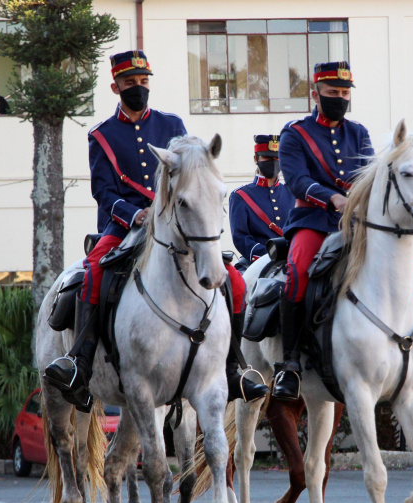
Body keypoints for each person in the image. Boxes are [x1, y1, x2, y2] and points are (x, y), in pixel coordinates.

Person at [43, 50, 267, 411]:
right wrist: (134, 215)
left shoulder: (172, 125)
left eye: (143, 81)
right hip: (124, 227)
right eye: (130, 82)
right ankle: (80, 362)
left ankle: (233, 366)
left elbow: (191, 176)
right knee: (94, 271)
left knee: (236, 282)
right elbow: (103, 191)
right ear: (115, 87)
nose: (138, 88)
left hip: (175, 225)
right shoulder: (102, 135)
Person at [272, 61, 413, 400]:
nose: (340, 98)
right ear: (316, 94)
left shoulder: (358, 133)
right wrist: (332, 198)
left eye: (344, 93)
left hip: (357, 223)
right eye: (333, 92)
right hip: (313, 220)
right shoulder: (295, 134)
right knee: (297, 270)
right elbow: (296, 180)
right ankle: (290, 364)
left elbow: (371, 178)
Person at [229, 134, 295, 270]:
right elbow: (241, 237)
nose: (273, 162)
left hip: (292, 258)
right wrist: (268, 254)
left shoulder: (293, 193)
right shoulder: (240, 195)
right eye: (267, 158)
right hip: (257, 262)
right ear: (256, 159)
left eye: (277, 158)